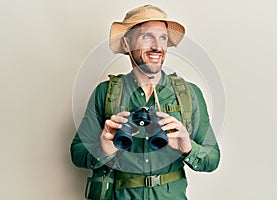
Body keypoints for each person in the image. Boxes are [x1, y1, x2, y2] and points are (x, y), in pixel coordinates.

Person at [71, 4, 220, 200]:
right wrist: (103, 150)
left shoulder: (189, 94)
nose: (157, 47)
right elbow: (77, 153)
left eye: (163, 38)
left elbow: (212, 159)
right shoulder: (106, 92)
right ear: (127, 44)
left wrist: (187, 146)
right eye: (147, 36)